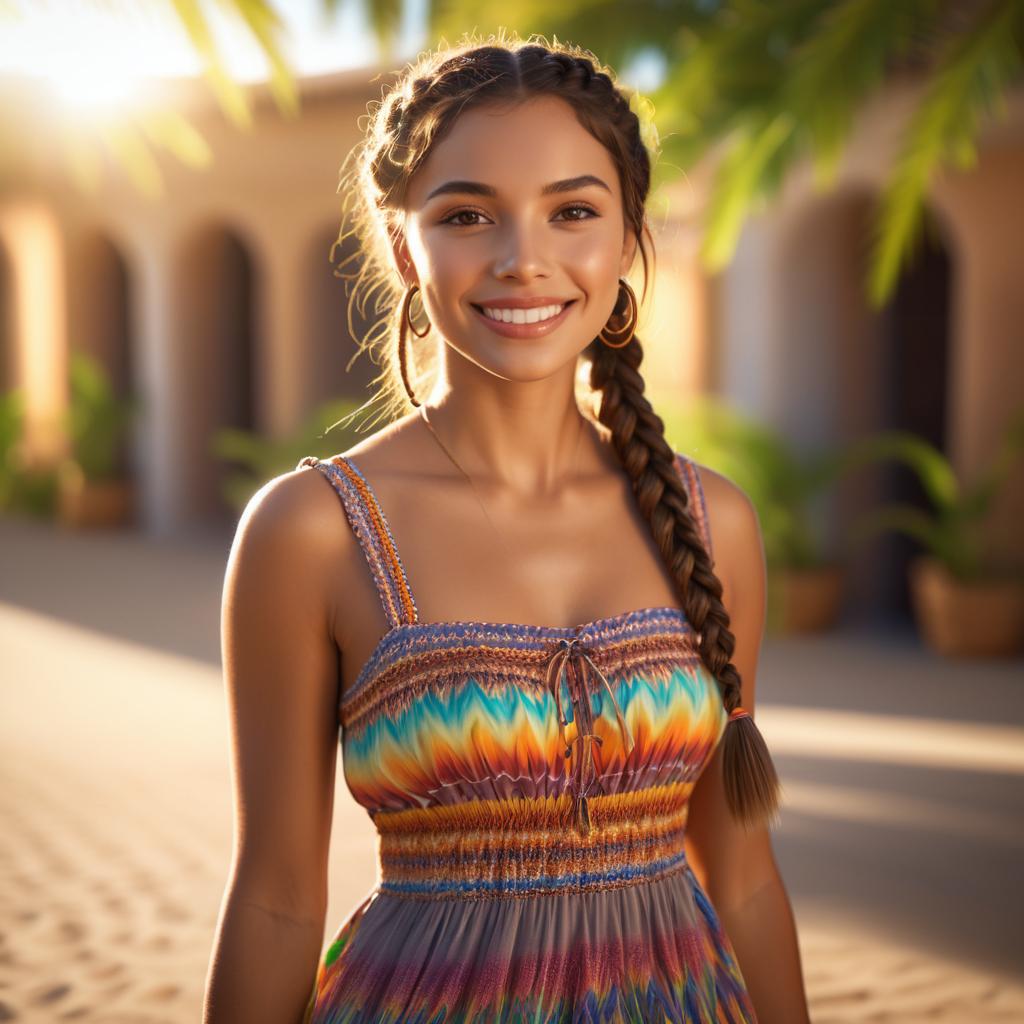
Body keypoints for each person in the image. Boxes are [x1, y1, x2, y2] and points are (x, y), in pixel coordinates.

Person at [204, 32, 811, 1024]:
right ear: (404, 243)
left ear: (626, 239)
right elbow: (274, 897)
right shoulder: (310, 532)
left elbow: (741, 875)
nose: (524, 260)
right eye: (467, 214)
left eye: (572, 211)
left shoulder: (713, 524)